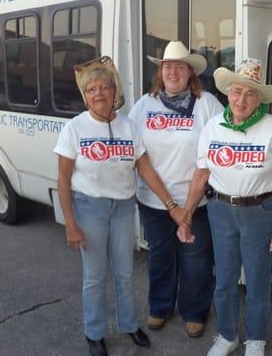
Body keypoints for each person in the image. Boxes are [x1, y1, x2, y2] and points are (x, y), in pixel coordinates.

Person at [54, 56, 184, 356]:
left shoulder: (129, 126)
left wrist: (170, 204)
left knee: (125, 274)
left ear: (114, 92)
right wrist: (70, 223)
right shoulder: (74, 129)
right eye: (91, 90)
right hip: (90, 210)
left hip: (124, 209)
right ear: (85, 96)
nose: (98, 94)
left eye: (104, 87)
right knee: (95, 276)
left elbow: (146, 169)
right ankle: (94, 332)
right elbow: (62, 179)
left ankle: (129, 325)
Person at [179, 59, 272, 356]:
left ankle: (256, 338)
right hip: (220, 210)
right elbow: (201, 174)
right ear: (227, 94)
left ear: (259, 98)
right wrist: (187, 214)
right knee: (225, 278)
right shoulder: (213, 127)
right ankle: (228, 335)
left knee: (257, 280)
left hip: (260, 213)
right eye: (236, 92)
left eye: (250, 93)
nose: (241, 100)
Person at [128, 41, 223, 338]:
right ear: (161, 71)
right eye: (167, 66)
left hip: (196, 203)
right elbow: (134, 150)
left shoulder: (207, 104)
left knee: (196, 261)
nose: (172, 72)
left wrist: (187, 208)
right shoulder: (145, 105)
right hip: (154, 201)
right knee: (160, 257)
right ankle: (160, 307)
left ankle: (194, 312)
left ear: (190, 72)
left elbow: (219, 147)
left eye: (179, 67)